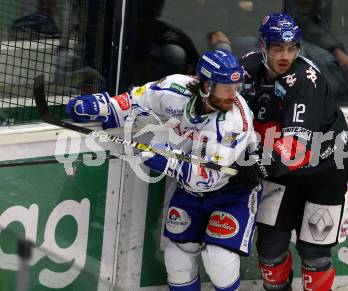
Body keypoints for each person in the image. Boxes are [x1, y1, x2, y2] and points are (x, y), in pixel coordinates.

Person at [65, 49, 262, 291]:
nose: (234, 94)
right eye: (226, 88)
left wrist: (168, 161)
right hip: (190, 191)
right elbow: (138, 99)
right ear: (206, 85)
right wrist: (103, 107)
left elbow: (208, 178)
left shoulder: (234, 122)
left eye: (237, 87)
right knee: (177, 261)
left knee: (219, 260)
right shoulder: (174, 88)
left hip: (234, 192)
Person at [240, 13, 348, 291]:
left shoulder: (305, 81)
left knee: (314, 256)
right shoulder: (246, 67)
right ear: (262, 46)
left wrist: (251, 164)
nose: (285, 56)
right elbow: (210, 91)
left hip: (326, 173)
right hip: (281, 173)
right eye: (278, 48)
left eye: (292, 49)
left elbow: (294, 149)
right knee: (269, 250)